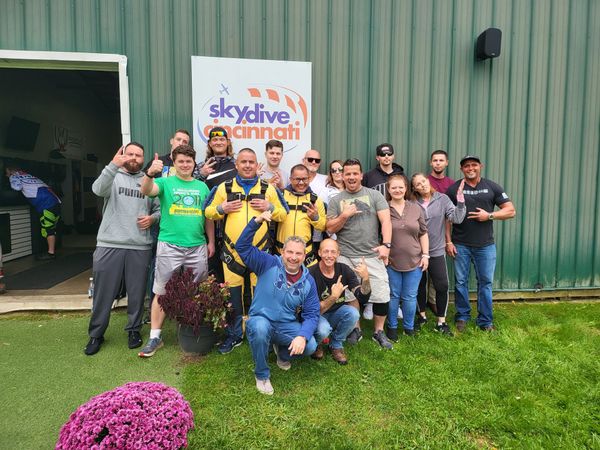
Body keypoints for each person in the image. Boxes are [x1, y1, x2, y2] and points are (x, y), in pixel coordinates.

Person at [204, 148, 288, 354]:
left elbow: (283, 214)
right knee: (234, 298)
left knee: (261, 296)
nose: (248, 165)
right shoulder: (223, 188)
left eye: (251, 162)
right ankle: (234, 335)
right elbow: (207, 211)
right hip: (232, 254)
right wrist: (221, 209)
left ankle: (260, 333)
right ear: (236, 165)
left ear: (256, 164)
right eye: (244, 162)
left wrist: (270, 206)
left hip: (260, 254)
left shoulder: (269, 189)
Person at [138, 144, 215, 357]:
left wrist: (211, 242)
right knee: (161, 291)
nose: (185, 165)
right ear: (174, 162)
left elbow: (208, 217)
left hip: (197, 246)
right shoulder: (164, 182)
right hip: (169, 245)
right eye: (180, 161)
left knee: (197, 291)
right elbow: (146, 190)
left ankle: (192, 329)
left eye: (188, 161)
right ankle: (155, 337)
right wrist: (150, 174)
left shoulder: (202, 187)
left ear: (193, 163)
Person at [84, 143, 160, 355]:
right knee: (103, 293)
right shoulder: (112, 175)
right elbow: (97, 190)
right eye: (131, 154)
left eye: (138, 155)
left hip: (139, 245)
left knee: (137, 293)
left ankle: (134, 330)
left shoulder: (149, 181)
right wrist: (112, 165)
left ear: (143, 158)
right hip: (110, 243)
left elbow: (159, 209)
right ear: (123, 155)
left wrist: (152, 218)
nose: (134, 158)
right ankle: (96, 334)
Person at [238, 211, 319, 395]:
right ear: (282, 252)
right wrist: (255, 222)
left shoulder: (308, 281)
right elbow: (242, 247)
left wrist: (302, 335)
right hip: (261, 320)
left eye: (298, 253)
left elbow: (312, 314)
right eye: (289, 251)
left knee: (310, 344)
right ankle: (262, 375)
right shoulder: (267, 263)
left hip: (285, 325)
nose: (293, 257)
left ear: (304, 255)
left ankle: (282, 354)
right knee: (260, 329)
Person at [326, 159, 394, 349]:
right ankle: (356, 328)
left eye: (355, 173)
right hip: (345, 254)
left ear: (361, 175)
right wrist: (344, 215)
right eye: (347, 173)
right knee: (349, 295)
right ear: (342, 176)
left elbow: (386, 221)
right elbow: (329, 227)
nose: (351, 177)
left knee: (381, 294)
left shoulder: (374, 195)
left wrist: (386, 245)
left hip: (371, 254)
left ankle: (378, 331)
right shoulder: (336, 200)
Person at [446, 156, 516, 332]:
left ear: (480, 166)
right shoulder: (454, 189)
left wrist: (489, 216)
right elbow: (447, 219)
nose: (471, 168)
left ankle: (485, 320)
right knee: (460, 282)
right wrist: (448, 241)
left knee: (485, 283)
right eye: (467, 166)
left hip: (485, 245)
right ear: (462, 169)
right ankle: (462, 316)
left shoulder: (492, 187)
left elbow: (511, 211)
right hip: (460, 243)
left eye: (474, 165)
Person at [411, 173, 465, 336]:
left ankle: (441, 322)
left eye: (423, 181)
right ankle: (421, 317)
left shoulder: (442, 199)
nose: (422, 185)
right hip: (415, 252)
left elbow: (456, 218)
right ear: (414, 188)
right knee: (419, 286)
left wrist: (460, 201)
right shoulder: (411, 203)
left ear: (428, 181)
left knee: (442, 286)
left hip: (436, 251)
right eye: (418, 184)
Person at [310, 239, 370, 364]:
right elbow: (313, 310)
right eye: (326, 251)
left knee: (353, 313)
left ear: (338, 254)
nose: (329, 255)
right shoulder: (311, 273)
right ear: (319, 253)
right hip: (317, 315)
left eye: (333, 252)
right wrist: (333, 297)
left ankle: (336, 344)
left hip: (335, 312)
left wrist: (365, 278)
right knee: (323, 330)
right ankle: (317, 343)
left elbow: (362, 296)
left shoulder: (344, 270)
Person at [384, 174, 429, 340]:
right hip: (391, 261)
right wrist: (383, 254)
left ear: (406, 188)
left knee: (410, 296)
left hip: (415, 260)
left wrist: (425, 255)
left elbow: (423, 233)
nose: (397, 190)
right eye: (393, 187)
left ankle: (409, 327)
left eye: (400, 187)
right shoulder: (383, 208)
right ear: (388, 189)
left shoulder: (415, 208)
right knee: (393, 295)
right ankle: (392, 327)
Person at [196, 126, 238, 283]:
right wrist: (201, 175)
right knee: (213, 272)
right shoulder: (201, 166)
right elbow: (192, 188)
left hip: (233, 223)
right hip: (209, 226)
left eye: (222, 139)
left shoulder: (237, 164)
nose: (219, 142)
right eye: (215, 139)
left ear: (227, 142)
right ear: (210, 144)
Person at [275, 164, 326, 267]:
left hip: (306, 256)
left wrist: (315, 218)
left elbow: (324, 227)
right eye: (297, 179)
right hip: (281, 255)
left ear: (309, 178)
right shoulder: (280, 196)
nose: (301, 183)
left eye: (304, 179)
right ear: (290, 179)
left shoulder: (315, 200)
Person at [6, 167, 61, 260]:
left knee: (48, 229)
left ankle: (51, 254)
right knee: (50, 228)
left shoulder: (15, 176)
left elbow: (17, 187)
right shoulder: (29, 176)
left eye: (6, 173)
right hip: (55, 201)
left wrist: (11, 177)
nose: (6, 175)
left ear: (11, 171)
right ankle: (50, 250)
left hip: (46, 204)